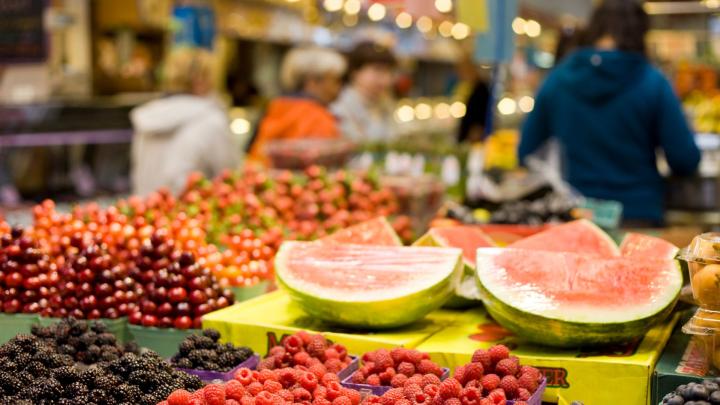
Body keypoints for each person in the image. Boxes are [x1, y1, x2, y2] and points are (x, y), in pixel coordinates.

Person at [519, 0, 701, 226]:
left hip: (575, 215)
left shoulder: (557, 80)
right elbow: (685, 159)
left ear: (593, 28)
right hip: (639, 214)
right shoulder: (653, 82)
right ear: (640, 32)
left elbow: (526, 153)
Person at [130, 48, 240, 196]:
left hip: (144, 213)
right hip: (191, 215)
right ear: (201, 80)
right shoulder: (211, 120)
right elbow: (230, 177)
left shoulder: (150, 118)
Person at [248, 46, 346, 163]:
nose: (339, 88)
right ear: (312, 82)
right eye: (335, 81)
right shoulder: (317, 117)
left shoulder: (276, 106)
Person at [331, 42, 397, 143]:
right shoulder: (338, 107)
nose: (385, 79)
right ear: (355, 71)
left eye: (388, 71)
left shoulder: (384, 104)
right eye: (377, 70)